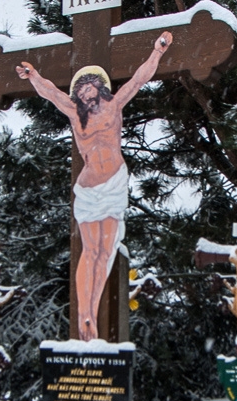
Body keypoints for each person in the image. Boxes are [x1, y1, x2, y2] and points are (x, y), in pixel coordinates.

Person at [16, 31, 173, 340]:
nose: (83, 92)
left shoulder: (114, 106)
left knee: (105, 251)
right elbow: (50, 93)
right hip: (89, 189)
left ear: (99, 86)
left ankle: (93, 312)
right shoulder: (75, 114)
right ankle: (83, 314)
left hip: (113, 184)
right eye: (79, 89)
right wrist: (33, 75)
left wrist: (157, 52)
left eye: (87, 86)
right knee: (90, 251)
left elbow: (139, 79)